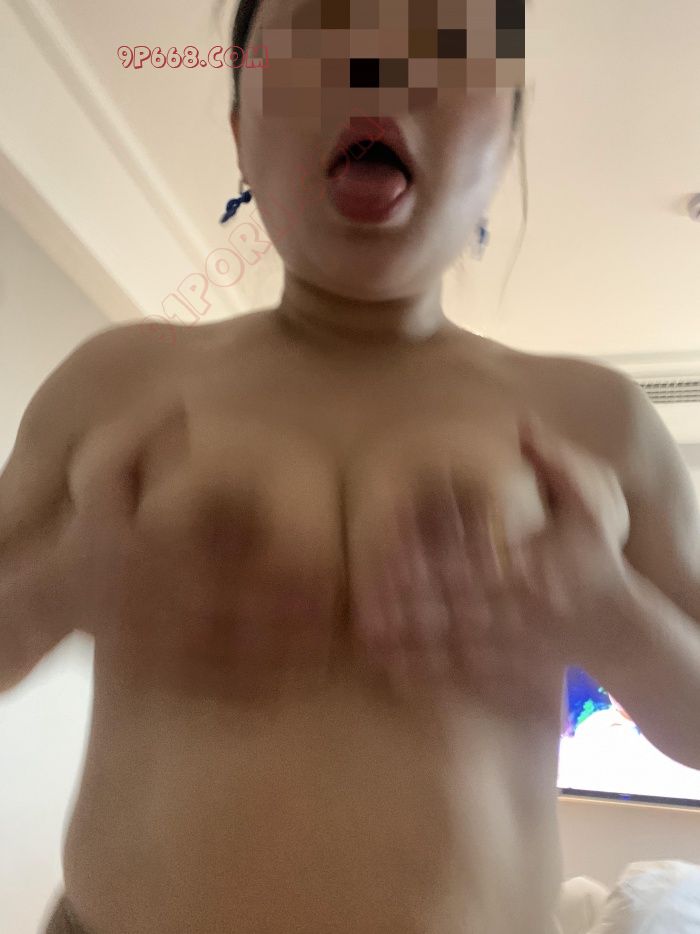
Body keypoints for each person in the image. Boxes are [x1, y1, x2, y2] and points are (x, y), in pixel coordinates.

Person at [2, 1, 699, 932]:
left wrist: (612, 621)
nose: (376, 71)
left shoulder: (594, 419)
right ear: (241, 133)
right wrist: (62, 586)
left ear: (508, 134)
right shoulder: (117, 381)